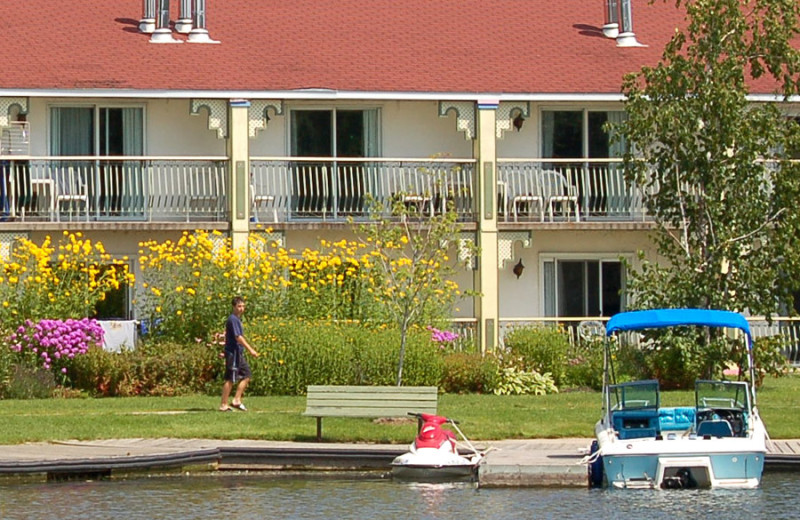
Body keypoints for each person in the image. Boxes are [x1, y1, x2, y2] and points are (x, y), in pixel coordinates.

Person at [220, 296, 259, 412]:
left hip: (238, 353)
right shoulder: (233, 319)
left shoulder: (237, 319)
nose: (241, 309)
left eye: (243, 306)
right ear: (234, 307)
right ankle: (223, 404)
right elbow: (238, 337)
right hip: (233, 353)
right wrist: (251, 349)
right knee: (230, 378)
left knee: (247, 375)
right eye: (239, 306)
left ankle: (236, 400)